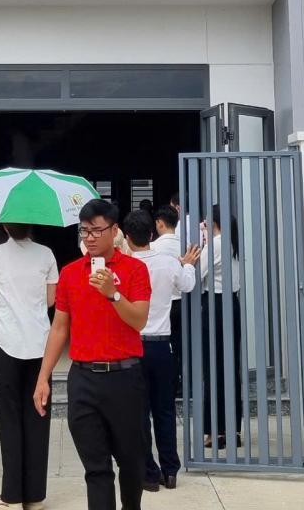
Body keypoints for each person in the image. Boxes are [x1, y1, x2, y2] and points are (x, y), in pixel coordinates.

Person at [34, 199, 152, 510]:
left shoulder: (135, 269)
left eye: (97, 230)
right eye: (85, 231)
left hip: (125, 379)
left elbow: (139, 320)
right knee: (96, 468)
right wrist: (43, 377)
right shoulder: (71, 273)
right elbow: (59, 328)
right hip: (84, 379)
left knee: (131, 461)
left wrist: (113, 294)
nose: (90, 238)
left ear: (115, 231)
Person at [0, 222, 59, 510]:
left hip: (6, 342)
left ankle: (11, 495)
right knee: (38, 414)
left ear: (5, 226)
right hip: (39, 343)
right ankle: (35, 496)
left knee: (9, 418)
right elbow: (51, 299)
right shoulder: (46, 254)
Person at [123, 209, 202, 491]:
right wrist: (188, 265)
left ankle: (149, 471)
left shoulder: (126, 266)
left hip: (133, 347)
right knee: (165, 411)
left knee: (139, 413)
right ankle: (170, 470)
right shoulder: (168, 263)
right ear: (151, 234)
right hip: (162, 346)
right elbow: (188, 285)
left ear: (127, 237)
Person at [196, 205, 242, 450]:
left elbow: (196, 274)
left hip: (214, 306)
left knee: (212, 368)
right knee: (230, 367)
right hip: (231, 304)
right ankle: (233, 429)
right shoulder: (232, 242)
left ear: (213, 223)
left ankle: (215, 430)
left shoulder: (214, 244)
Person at [152, 206, 185, 397]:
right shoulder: (185, 244)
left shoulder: (154, 247)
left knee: (164, 345)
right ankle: (181, 383)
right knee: (181, 345)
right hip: (182, 301)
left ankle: (166, 384)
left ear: (159, 223)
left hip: (163, 303)